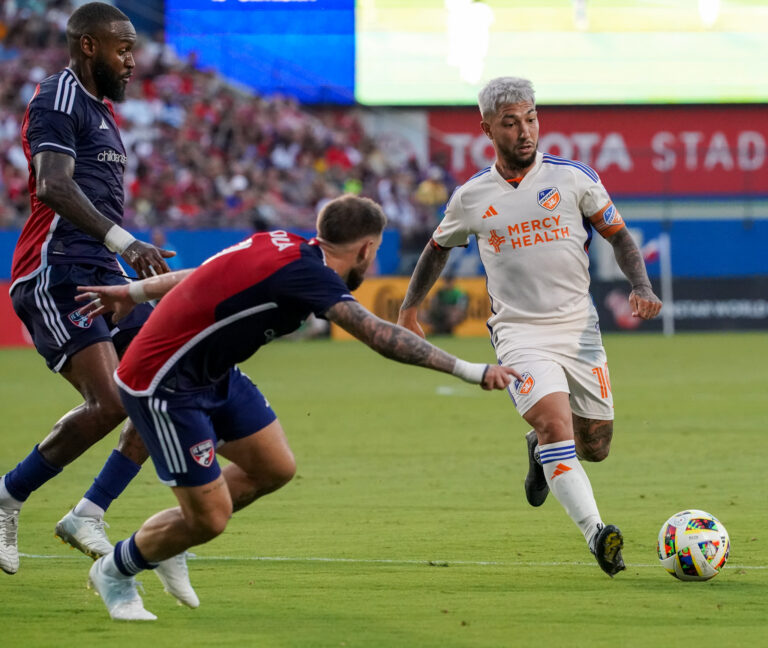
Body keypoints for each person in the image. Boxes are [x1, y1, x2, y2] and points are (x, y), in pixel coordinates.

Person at [74, 194, 519, 621]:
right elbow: (376, 334)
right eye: (376, 251)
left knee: (274, 467)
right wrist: (471, 370)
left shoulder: (281, 242)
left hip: (213, 372)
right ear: (366, 249)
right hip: (164, 384)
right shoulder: (310, 275)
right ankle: (115, 571)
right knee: (209, 518)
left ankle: (173, 539)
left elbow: (202, 272)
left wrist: (134, 293)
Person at [397, 77, 662, 577]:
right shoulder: (472, 196)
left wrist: (642, 287)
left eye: (531, 118)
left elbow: (620, 237)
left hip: (580, 330)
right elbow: (436, 249)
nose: (525, 131)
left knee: (595, 446)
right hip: (519, 334)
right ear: (487, 129)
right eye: (511, 122)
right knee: (554, 426)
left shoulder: (573, 178)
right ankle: (597, 533)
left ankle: (539, 453)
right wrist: (410, 309)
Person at [0, 2, 196, 605]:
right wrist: (125, 241)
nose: (133, 62)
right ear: (88, 46)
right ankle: (6, 499)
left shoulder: (104, 114)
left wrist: (122, 250)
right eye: (123, 49)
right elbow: (53, 186)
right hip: (53, 273)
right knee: (110, 401)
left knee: (164, 381)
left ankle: (89, 511)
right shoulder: (58, 95)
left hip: (97, 270)